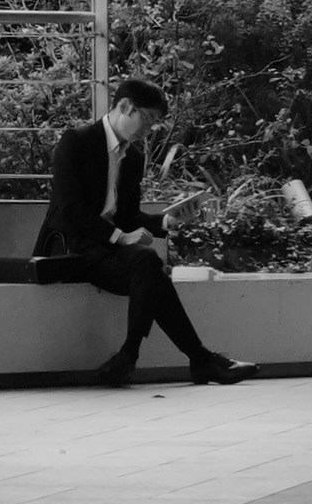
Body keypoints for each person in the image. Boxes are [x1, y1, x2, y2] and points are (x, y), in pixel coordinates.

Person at [35, 79, 256, 388]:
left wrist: (166, 223)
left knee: (148, 266)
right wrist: (119, 238)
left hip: (104, 251)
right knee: (148, 265)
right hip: (71, 248)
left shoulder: (133, 159)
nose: (149, 129)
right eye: (149, 119)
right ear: (125, 107)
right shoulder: (77, 141)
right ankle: (197, 360)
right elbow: (69, 210)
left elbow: (128, 216)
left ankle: (135, 357)